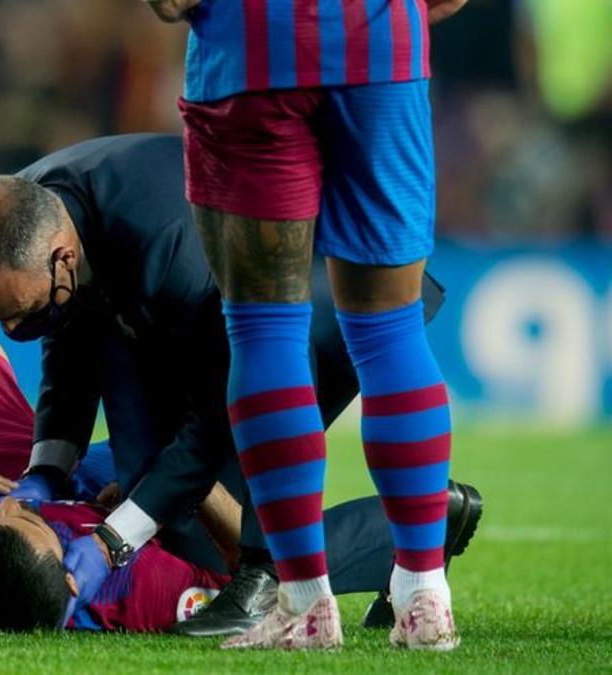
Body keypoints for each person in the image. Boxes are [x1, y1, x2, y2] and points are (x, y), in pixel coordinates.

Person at [0, 133, 475, 636]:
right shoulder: (27, 215)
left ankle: (305, 564)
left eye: (24, 312)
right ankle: (408, 526)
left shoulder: (170, 251)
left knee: (206, 516)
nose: (14, 332)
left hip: (315, 289)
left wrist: (111, 543)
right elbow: (70, 349)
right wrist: (45, 472)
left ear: (64, 257)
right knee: (166, 517)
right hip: (179, 318)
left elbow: (217, 422)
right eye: (0, 321)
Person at [146, 0, 469, 650]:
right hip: (381, 50)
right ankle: (423, 591)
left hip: (254, 50)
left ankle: (304, 603)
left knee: (265, 328)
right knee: (391, 330)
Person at [0, 335, 480, 632]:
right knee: (276, 540)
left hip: (8, 482)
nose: (11, 512)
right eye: (25, 521)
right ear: (70, 582)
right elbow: (245, 580)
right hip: (132, 500)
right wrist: (183, 484)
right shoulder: (136, 597)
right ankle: (423, 522)